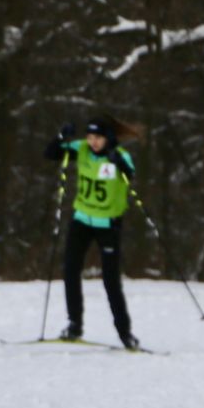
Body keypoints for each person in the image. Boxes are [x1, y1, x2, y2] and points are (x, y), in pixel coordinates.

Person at [44, 115, 141, 349]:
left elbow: (130, 173)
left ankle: (125, 332)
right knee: (70, 270)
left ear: (107, 138)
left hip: (108, 224)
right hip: (82, 220)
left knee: (110, 281)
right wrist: (60, 136)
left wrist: (119, 163)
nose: (93, 142)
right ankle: (74, 324)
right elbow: (51, 153)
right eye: (89, 137)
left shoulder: (118, 156)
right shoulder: (82, 150)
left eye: (97, 138)